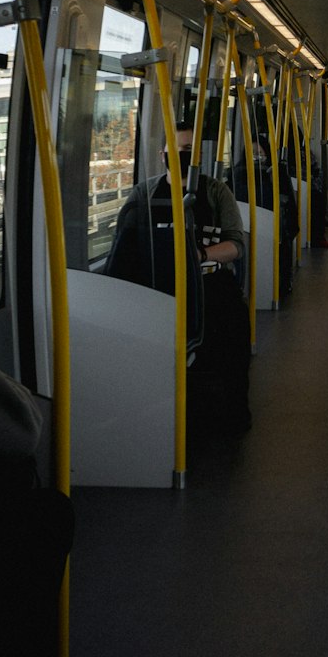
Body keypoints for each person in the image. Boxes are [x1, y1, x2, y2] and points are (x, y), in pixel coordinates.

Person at [104, 121, 252, 438]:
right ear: (163, 155)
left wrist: (199, 254)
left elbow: (236, 246)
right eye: (177, 151)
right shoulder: (144, 195)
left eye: (189, 152)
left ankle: (233, 413)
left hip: (208, 283)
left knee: (233, 330)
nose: (182, 157)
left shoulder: (215, 193)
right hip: (158, 286)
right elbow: (124, 246)